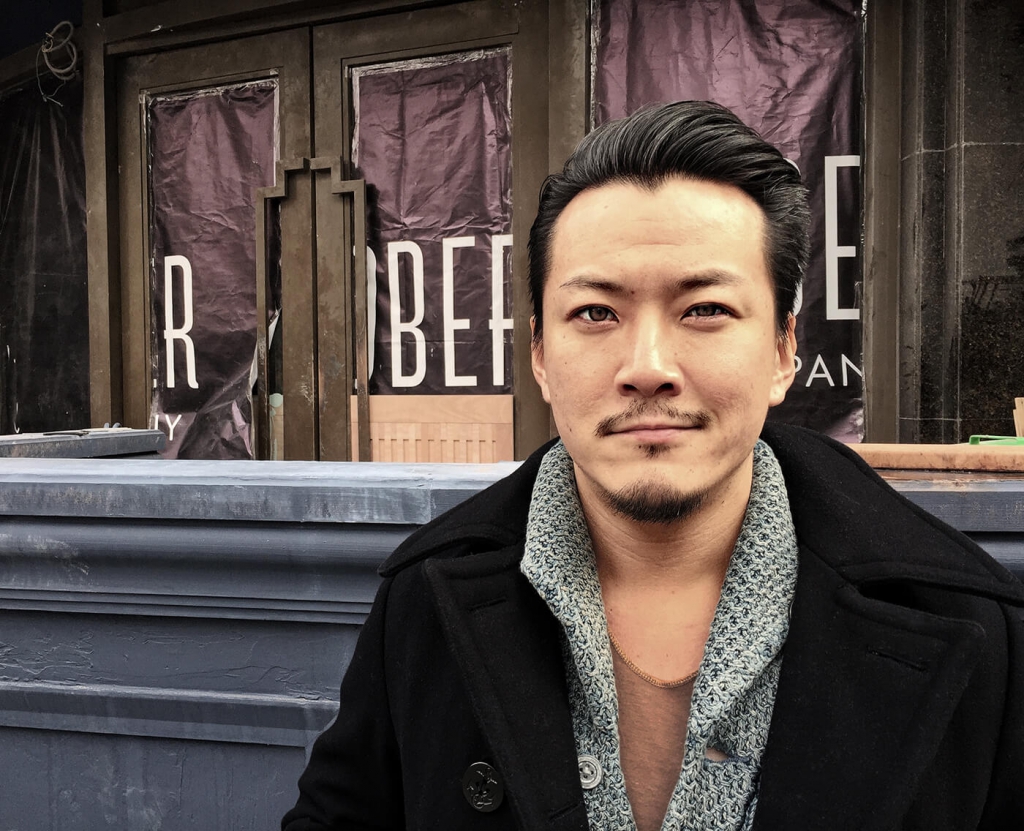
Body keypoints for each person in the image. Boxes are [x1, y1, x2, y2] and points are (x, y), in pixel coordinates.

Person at [282, 101, 1024, 831]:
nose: (647, 367)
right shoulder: (423, 603)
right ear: (539, 355)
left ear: (783, 350)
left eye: (704, 309)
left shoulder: (974, 627)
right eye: (595, 313)